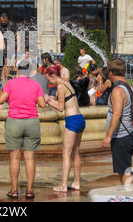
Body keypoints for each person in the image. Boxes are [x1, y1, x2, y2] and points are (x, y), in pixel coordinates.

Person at [0, 60, 47, 199]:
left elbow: (1, 100)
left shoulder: (11, 84)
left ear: (17, 71)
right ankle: (29, 191)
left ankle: (14, 190)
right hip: (32, 122)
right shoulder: (35, 85)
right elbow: (42, 104)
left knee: (14, 157)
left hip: (15, 122)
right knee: (30, 158)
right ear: (30, 72)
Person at [45, 64, 85, 192]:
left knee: (66, 153)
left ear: (53, 76)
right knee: (76, 153)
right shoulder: (67, 83)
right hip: (80, 118)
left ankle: (63, 185)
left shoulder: (60, 86)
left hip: (72, 120)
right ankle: (76, 182)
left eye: (48, 79)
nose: (49, 82)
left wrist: (48, 101)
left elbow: (61, 108)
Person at [102, 58, 133, 186]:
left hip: (121, 136)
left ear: (110, 73)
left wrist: (108, 136)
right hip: (127, 134)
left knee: (125, 171)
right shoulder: (128, 85)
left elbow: (117, 114)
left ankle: (129, 196)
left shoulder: (117, 91)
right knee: (124, 168)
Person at [0, 13, 18, 82]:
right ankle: (3, 78)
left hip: (9, 45)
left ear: (7, 19)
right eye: (1, 21)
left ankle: (6, 78)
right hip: (0, 45)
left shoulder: (11, 24)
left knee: (7, 62)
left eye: (4, 21)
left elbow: (16, 34)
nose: (3, 22)